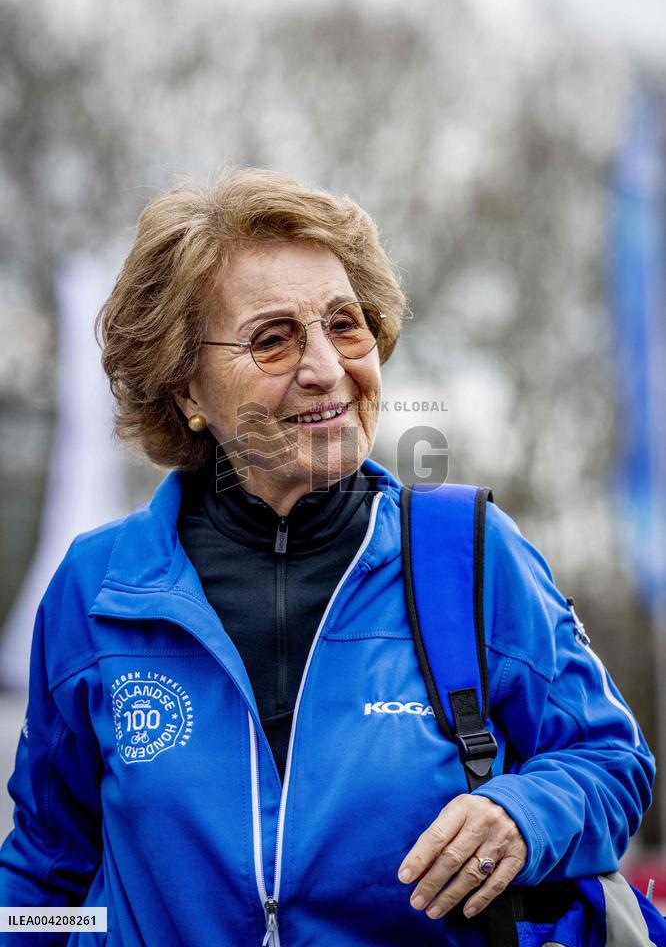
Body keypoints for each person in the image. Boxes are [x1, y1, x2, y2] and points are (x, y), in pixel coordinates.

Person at [0, 167, 655, 947]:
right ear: (186, 391)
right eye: (272, 339)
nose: (326, 368)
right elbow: (48, 874)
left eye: (346, 325)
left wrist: (525, 814)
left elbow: (611, 760)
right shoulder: (97, 589)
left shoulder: (470, 560)